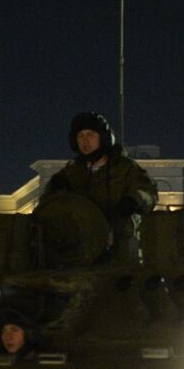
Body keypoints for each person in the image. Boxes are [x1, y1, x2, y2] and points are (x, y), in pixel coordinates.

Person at [40, 112, 157, 262]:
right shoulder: (70, 173)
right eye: (80, 136)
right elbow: (47, 207)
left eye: (90, 134)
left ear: (103, 137)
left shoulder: (125, 168)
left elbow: (148, 191)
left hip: (119, 247)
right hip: (78, 251)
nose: (85, 140)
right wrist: (56, 192)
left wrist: (133, 200)